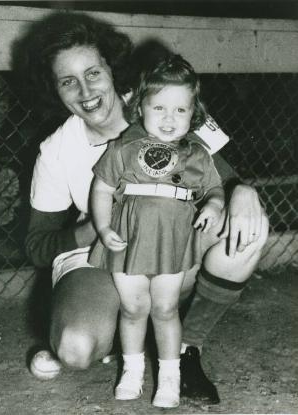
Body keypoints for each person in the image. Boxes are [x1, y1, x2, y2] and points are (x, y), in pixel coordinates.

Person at [21, 12, 269, 404]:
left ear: (112, 70)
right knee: (76, 347)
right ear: (55, 90)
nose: (85, 90)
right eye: (67, 81)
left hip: (170, 239)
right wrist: (96, 227)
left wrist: (243, 192)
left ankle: (188, 349)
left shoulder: (163, 101)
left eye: (93, 73)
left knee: (250, 227)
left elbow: (222, 174)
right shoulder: (55, 151)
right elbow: (37, 246)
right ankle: (117, 339)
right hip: (103, 255)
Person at [88, 53, 225, 408]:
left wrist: (212, 204)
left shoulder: (197, 154)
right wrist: (103, 228)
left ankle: (170, 375)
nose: (169, 118)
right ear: (140, 107)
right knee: (133, 308)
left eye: (180, 110)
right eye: (159, 107)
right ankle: (131, 371)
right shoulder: (122, 147)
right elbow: (102, 188)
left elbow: (214, 189)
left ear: (194, 113)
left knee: (165, 309)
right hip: (128, 239)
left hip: (172, 242)